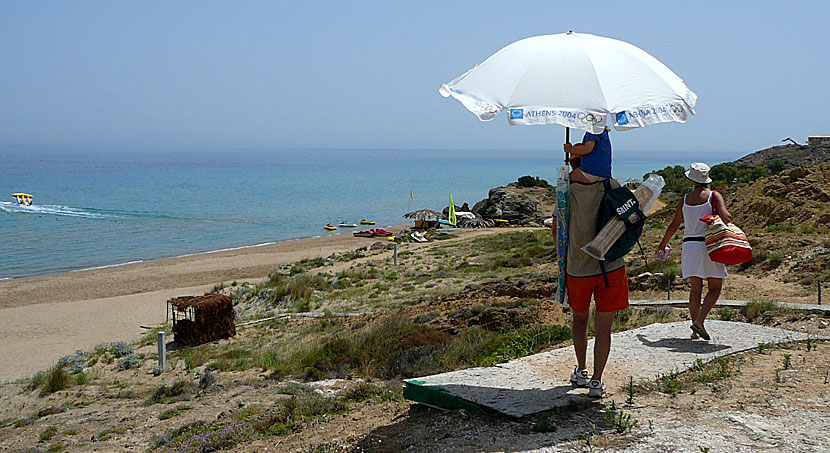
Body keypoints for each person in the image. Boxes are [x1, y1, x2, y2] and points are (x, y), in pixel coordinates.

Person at [563, 127, 628, 398]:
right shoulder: (612, 185)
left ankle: (581, 369)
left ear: (573, 165)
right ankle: (597, 381)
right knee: (604, 327)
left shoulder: (568, 189)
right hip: (610, 266)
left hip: (578, 267)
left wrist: (570, 153)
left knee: (580, 320)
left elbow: (559, 229)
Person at [657, 162, 732, 341]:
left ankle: (695, 330)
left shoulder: (684, 199)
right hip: (708, 245)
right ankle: (699, 321)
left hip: (689, 246)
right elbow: (727, 217)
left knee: (695, 289)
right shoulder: (713, 195)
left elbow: (674, 224)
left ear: (691, 180)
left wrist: (662, 244)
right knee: (714, 288)